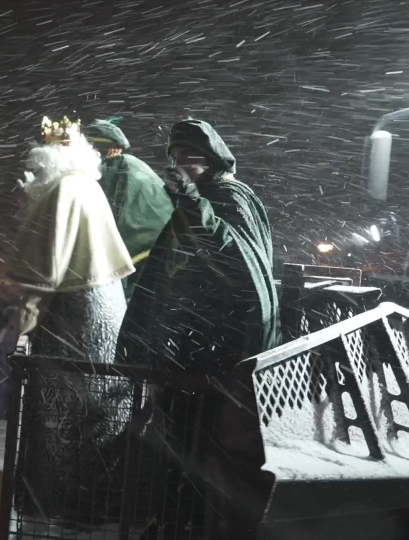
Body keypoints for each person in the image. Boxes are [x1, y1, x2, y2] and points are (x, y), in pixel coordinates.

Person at [115, 119, 280, 539]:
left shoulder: (230, 197)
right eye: (174, 158)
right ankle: (178, 522)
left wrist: (192, 204)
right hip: (199, 351)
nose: (180, 166)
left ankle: (191, 525)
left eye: (188, 157)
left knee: (202, 447)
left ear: (209, 159)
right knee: (181, 444)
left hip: (218, 354)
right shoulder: (209, 197)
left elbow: (232, 259)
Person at [6, 115, 136, 523]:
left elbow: (44, 272)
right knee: (99, 410)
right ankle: (98, 504)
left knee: (61, 416)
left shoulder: (61, 191)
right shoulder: (87, 185)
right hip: (105, 305)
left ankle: (58, 507)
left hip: (74, 316)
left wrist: (23, 327)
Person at [84, 116, 174, 300]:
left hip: (138, 247)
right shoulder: (136, 164)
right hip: (164, 244)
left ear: (109, 148)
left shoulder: (111, 168)